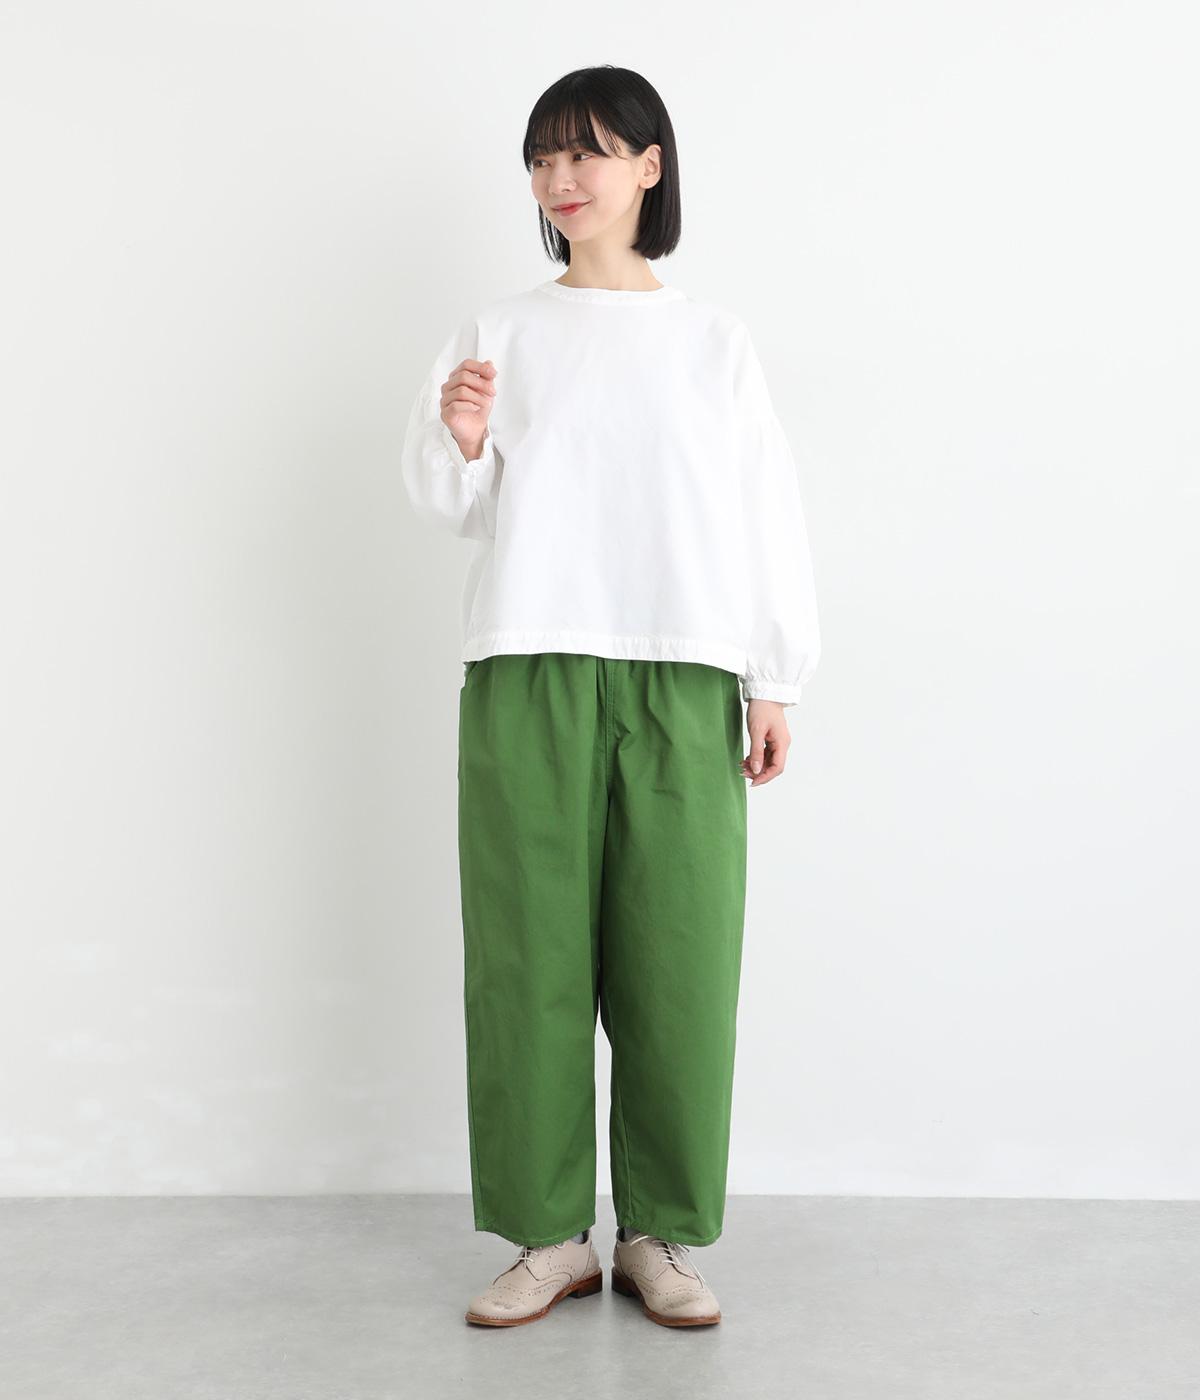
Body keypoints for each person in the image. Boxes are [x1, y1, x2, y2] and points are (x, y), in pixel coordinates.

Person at [400, 65, 821, 1329]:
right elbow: (451, 501)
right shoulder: (499, 329)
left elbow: (764, 510)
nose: (561, 178)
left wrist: (776, 674)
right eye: (542, 158)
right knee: (525, 958)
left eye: (586, 152)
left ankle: (659, 1235)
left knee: (679, 962)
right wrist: (460, 440)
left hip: (687, 666)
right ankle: (548, 1239)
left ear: (649, 165)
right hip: (529, 657)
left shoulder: (713, 340)